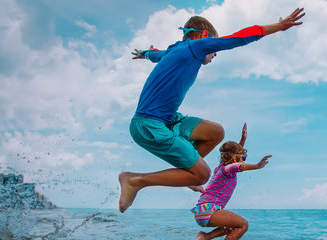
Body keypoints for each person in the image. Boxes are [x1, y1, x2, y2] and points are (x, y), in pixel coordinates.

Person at [118, 8, 305, 213]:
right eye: (213, 48)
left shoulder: (174, 51)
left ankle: (187, 171)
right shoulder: (195, 47)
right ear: (204, 35)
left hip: (167, 120)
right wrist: (278, 27)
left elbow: (156, 55)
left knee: (215, 132)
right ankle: (135, 180)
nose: (214, 54)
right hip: (149, 125)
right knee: (203, 175)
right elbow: (237, 38)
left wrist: (145, 53)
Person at [190, 123, 270, 240]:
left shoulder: (221, 168)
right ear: (235, 158)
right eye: (243, 157)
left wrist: (242, 140)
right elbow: (238, 166)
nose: (243, 160)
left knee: (234, 226)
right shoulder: (229, 168)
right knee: (244, 225)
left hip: (203, 211)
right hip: (209, 209)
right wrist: (257, 165)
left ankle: (206, 237)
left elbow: (234, 157)